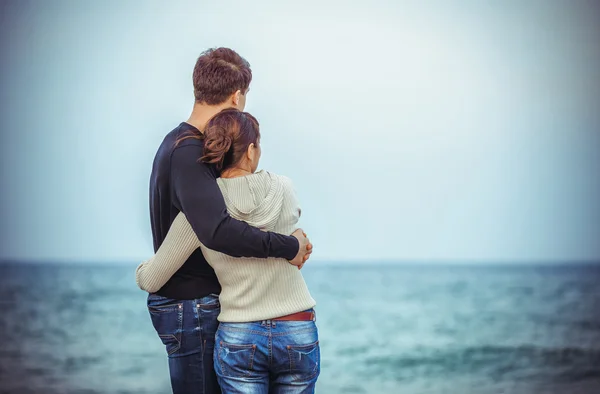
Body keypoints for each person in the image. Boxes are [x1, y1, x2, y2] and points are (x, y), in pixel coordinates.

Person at [136, 48, 313, 394]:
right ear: (237, 96)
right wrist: (290, 245)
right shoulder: (189, 152)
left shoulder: (181, 143)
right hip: (192, 306)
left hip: (190, 303)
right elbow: (217, 230)